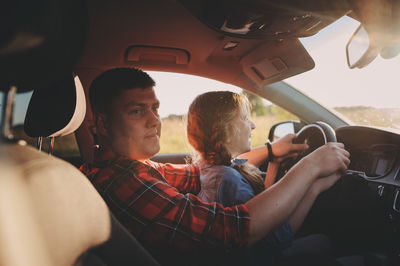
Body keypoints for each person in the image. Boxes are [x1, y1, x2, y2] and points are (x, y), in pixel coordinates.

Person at [80, 67, 350, 266]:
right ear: (103, 124)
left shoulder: (134, 169)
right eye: (137, 111)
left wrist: (270, 151)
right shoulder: (124, 182)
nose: (155, 121)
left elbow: (200, 171)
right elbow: (234, 230)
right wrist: (310, 167)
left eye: (155, 109)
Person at [187, 91, 341, 265]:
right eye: (245, 118)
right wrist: (314, 187)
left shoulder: (207, 168)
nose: (252, 125)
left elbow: (262, 210)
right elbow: (278, 237)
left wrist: (273, 162)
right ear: (227, 130)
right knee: (323, 242)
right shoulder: (229, 180)